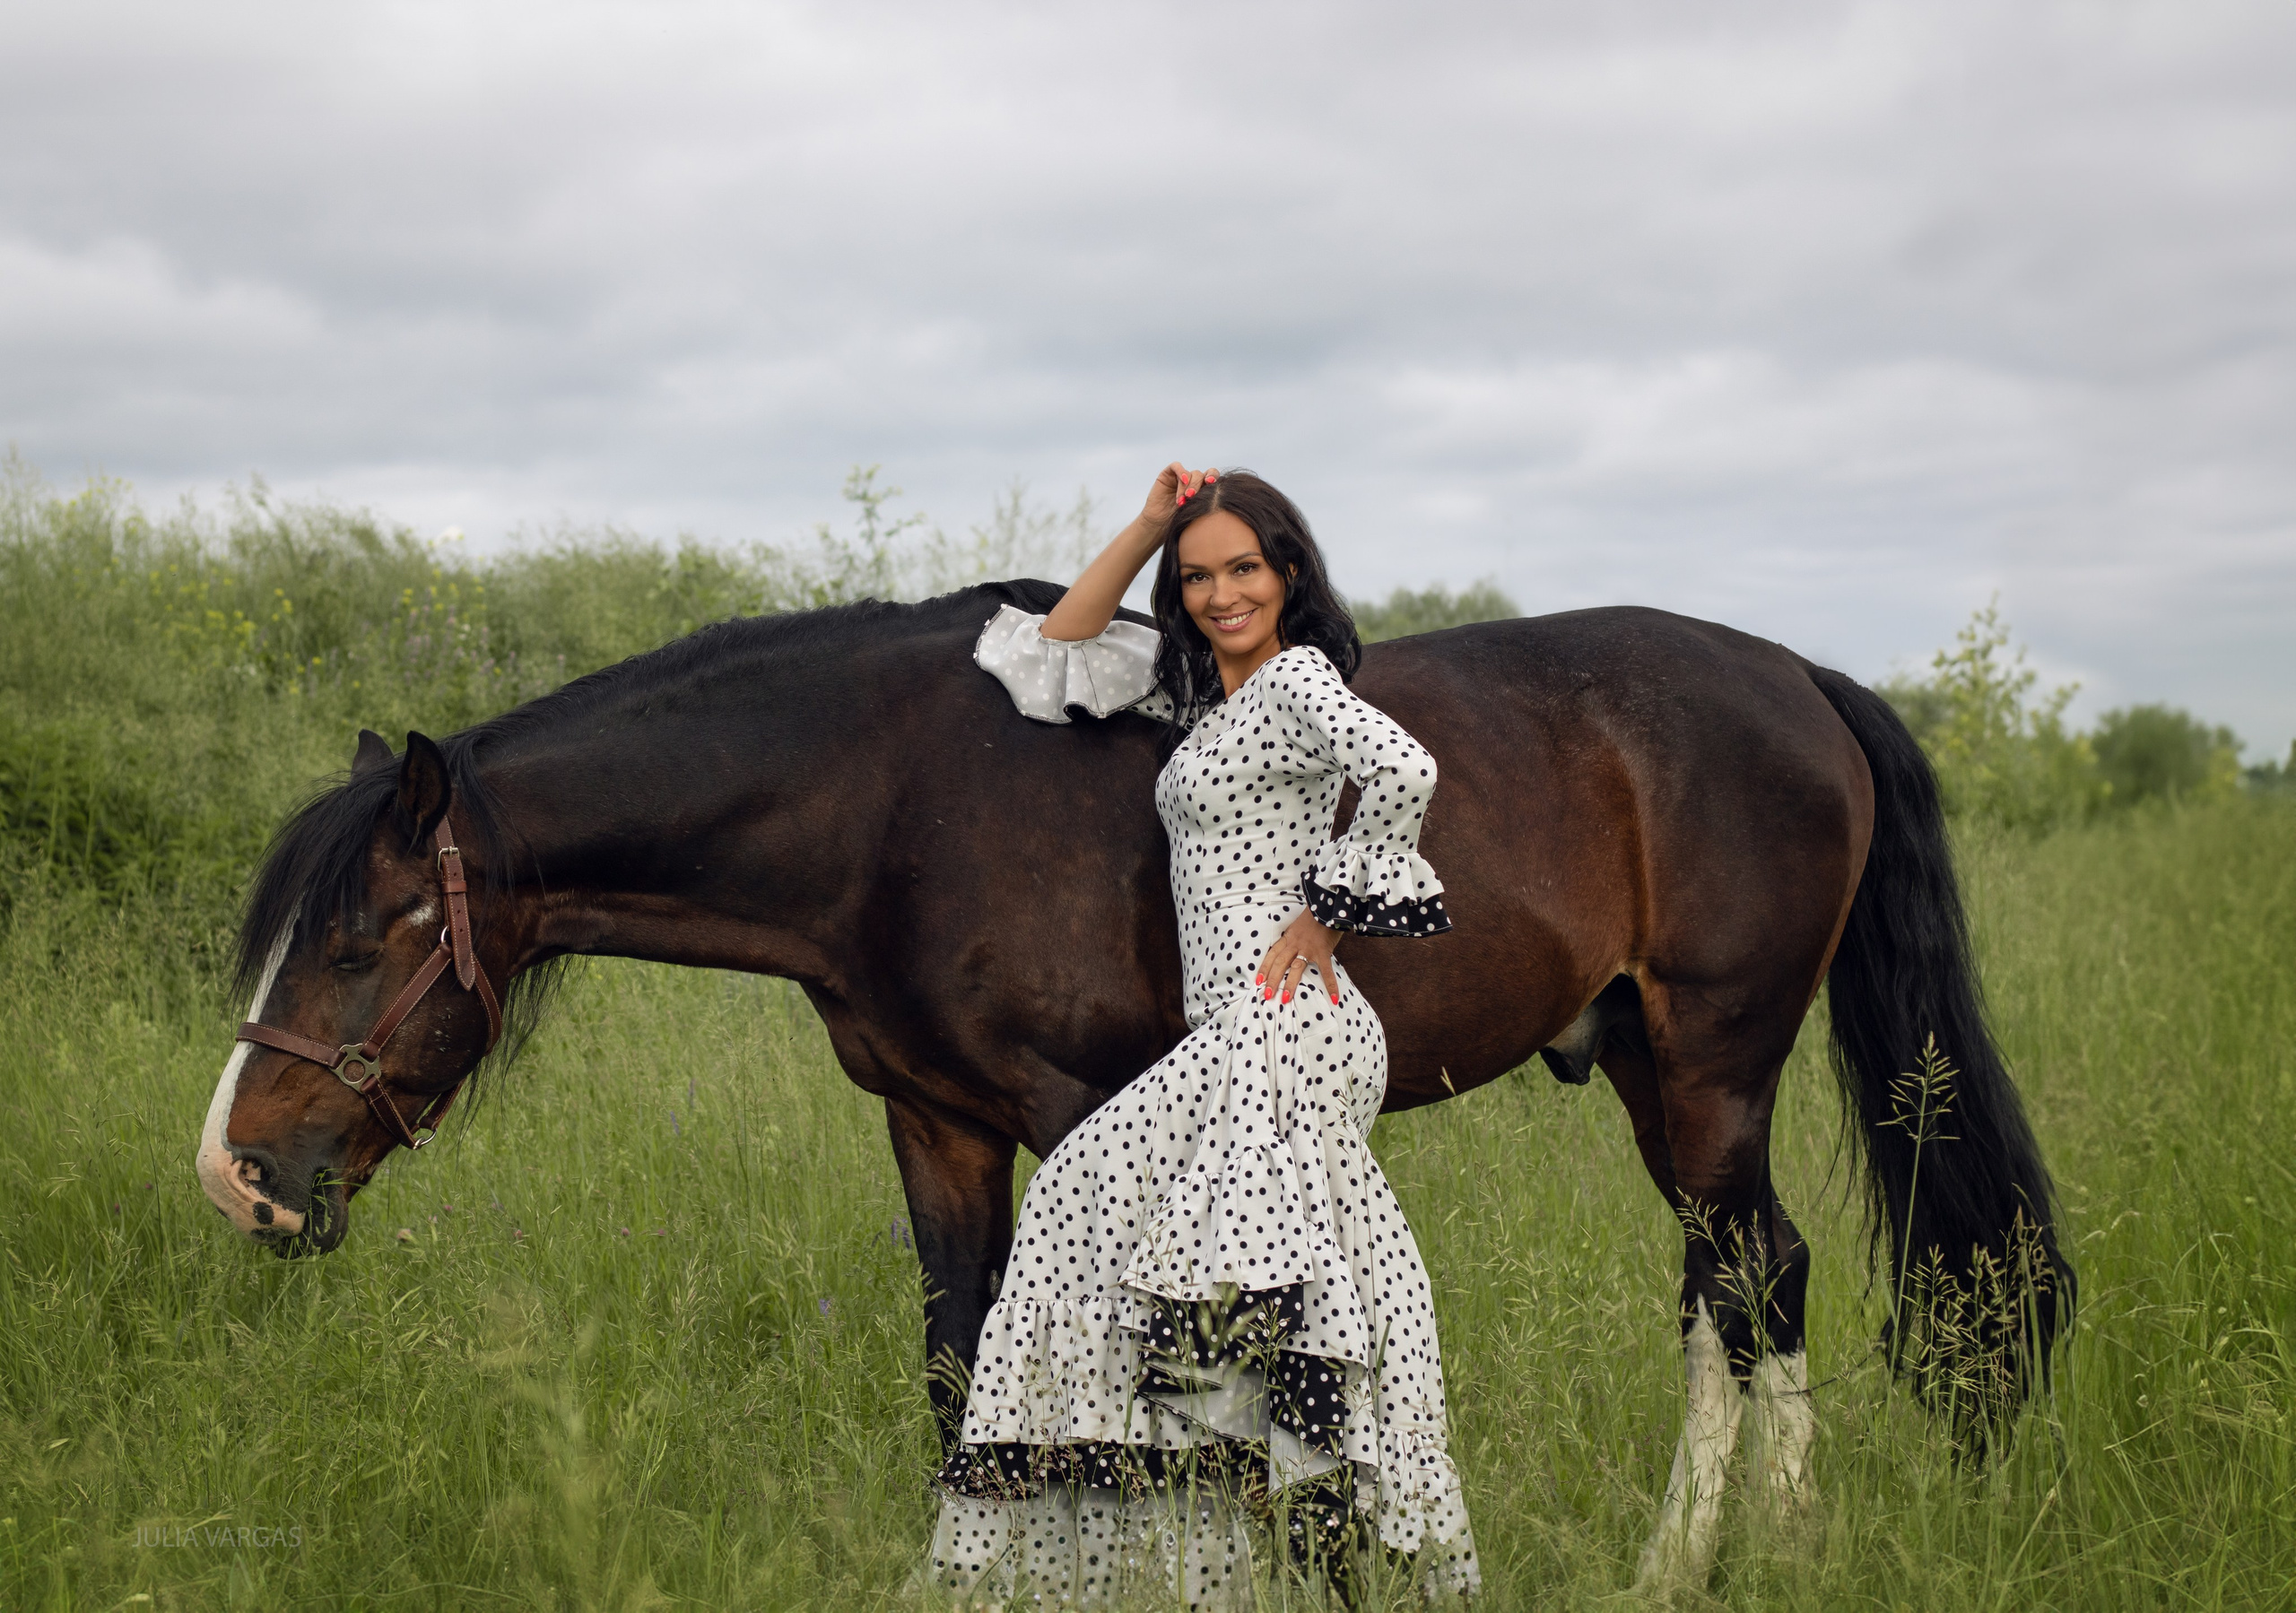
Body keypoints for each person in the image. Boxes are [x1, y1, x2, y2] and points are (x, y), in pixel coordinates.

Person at [924, 464, 1478, 1607]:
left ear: (1287, 574)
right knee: (1245, 1303)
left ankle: (1256, 1556)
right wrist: (1145, 527)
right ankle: (1257, 1566)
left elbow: (1405, 764)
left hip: (1292, 1023)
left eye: (1245, 568)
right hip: (1246, 1026)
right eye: (1200, 576)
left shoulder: (1296, 681)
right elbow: (1053, 653)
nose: (1224, 593)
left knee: (1085, 1194)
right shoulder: (1208, 702)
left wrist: (1328, 913)